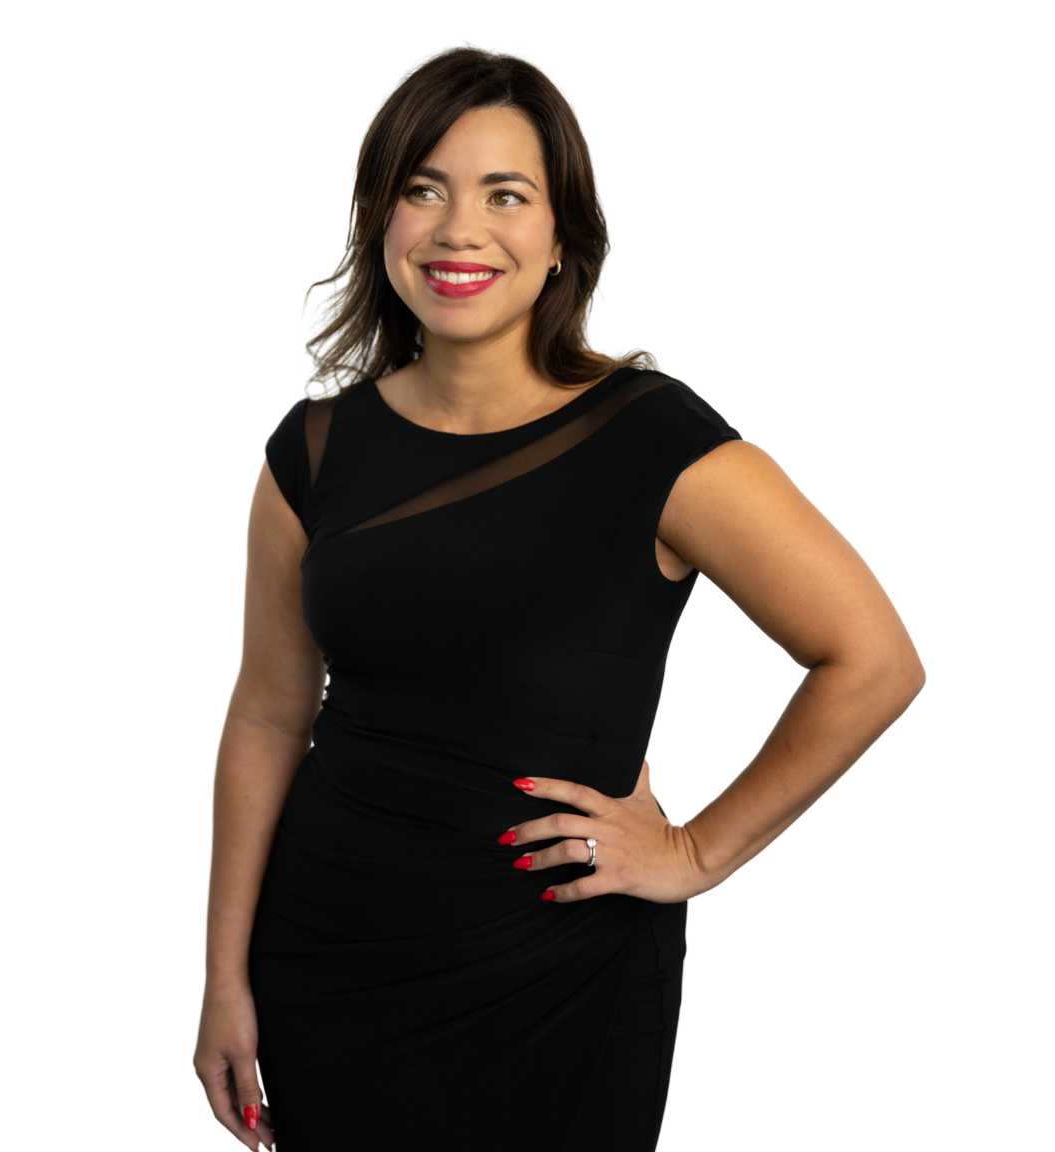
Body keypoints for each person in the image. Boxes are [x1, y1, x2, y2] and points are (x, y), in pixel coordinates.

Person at [193, 47, 924, 1152]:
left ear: (562, 237)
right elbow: (266, 713)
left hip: (562, 973)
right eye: (424, 188)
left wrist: (695, 854)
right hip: (328, 955)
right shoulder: (314, 450)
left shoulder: (654, 439)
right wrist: (224, 976)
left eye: (506, 195)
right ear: (379, 217)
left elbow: (872, 660)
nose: (459, 230)